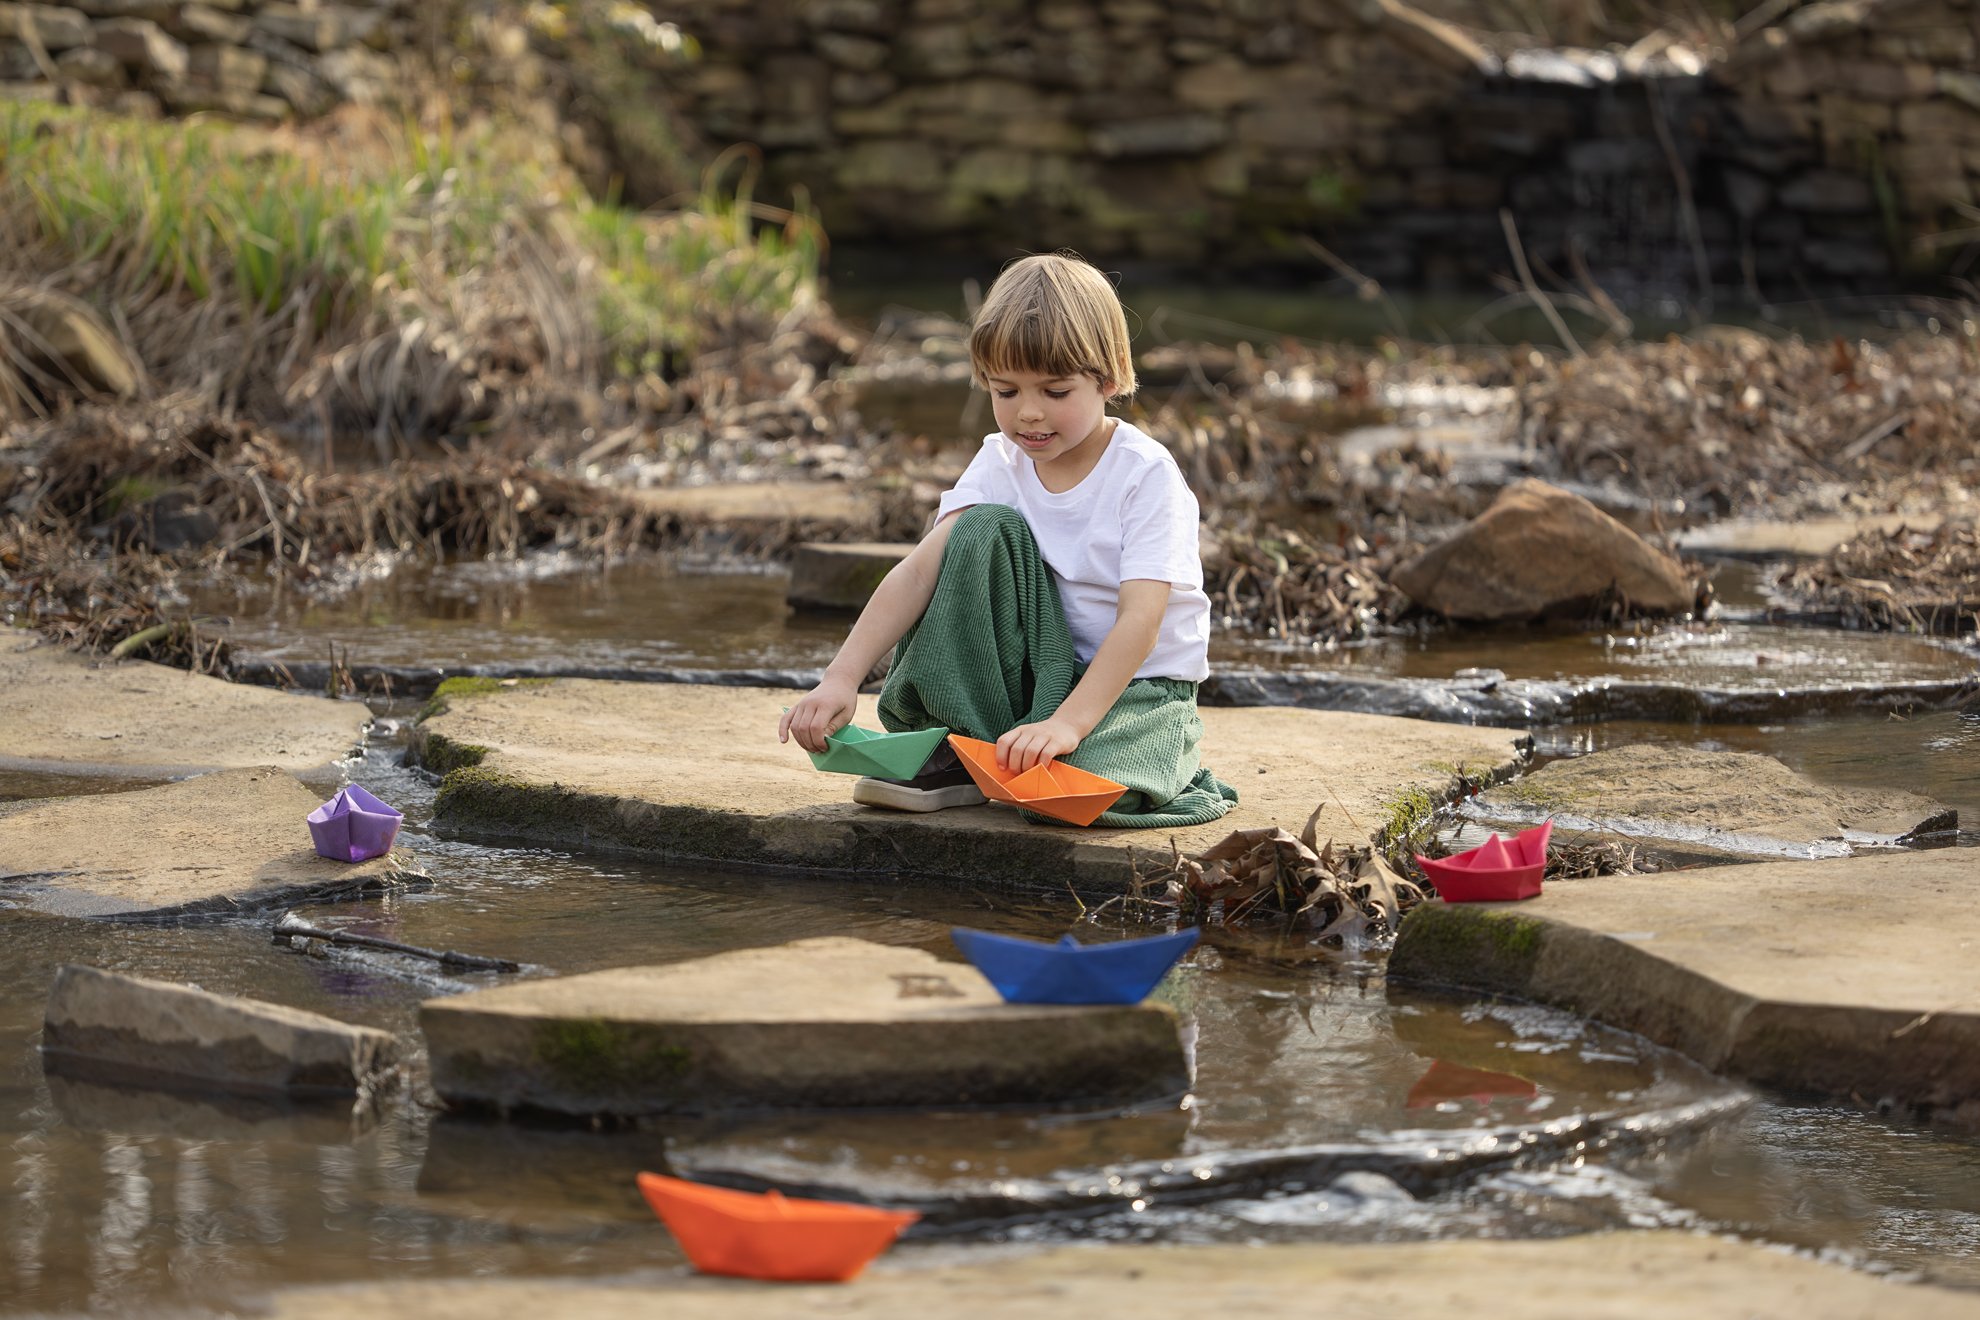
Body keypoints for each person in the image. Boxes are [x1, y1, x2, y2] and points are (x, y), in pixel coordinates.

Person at [776, 252, 1237, 829]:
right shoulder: (1000, 461)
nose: (1030, 415)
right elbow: (919, 574)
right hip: (1033, 674)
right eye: (1006, 391)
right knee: (975, 530)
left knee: (1067, 795)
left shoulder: (1145, 474)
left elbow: (1140, 622)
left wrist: (1068, 724)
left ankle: (1130, 757)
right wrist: (840, 679)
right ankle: (958, 746)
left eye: (1056, 391)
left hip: (1134, 688)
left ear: (1110, 377)